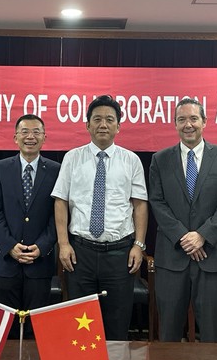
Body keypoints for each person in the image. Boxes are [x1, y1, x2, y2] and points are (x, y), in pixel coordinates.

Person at [52, 95, 148, 341]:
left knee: (117, 325)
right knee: (80, 328)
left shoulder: (131, 160)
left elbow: (139, 205)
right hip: (80, 253)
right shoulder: (72, 158)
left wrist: (138, 245)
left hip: (119, 254)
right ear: (87, 125)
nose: (103, 124)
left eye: (109, 119)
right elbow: (61, 201)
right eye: (97, 119)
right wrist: (63, 244)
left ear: (118, 126)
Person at [149, 97, 217, 342]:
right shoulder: (160, 159)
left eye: (193, 119)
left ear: (204, 121)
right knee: (168, 333)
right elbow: (157, 201)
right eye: (181, 119)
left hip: (213, 257)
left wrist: (202, 236)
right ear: (175, 124)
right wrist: (184, 237)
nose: (188, 124)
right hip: (172, 257)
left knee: (211, 334)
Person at [0, 114, 60, 336]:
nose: (30, 137)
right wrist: (9, 246)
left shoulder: (56, 170)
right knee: (6, 329)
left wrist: (43, 246)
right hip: (7, 262)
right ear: (15, 137)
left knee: (37, 330)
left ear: (45, 137)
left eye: (36, 132)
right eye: (25, 132)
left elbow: (58, 214)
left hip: (40, 262)